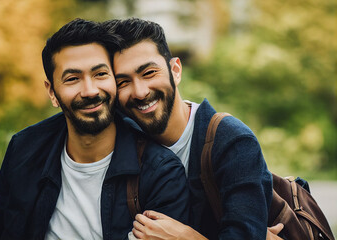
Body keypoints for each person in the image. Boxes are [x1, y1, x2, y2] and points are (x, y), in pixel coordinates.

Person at [0, 18, 190, 240]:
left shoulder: (160, 172)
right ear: (52, 93)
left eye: (100, 74)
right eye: (72, 79)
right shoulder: (24, 151)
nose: (90, 91)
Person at [107, 18, 275, 239]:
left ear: (175, 70)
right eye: (123, 82)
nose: (140, 91)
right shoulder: (119, 141)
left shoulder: (232, 142)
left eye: (149, 73)